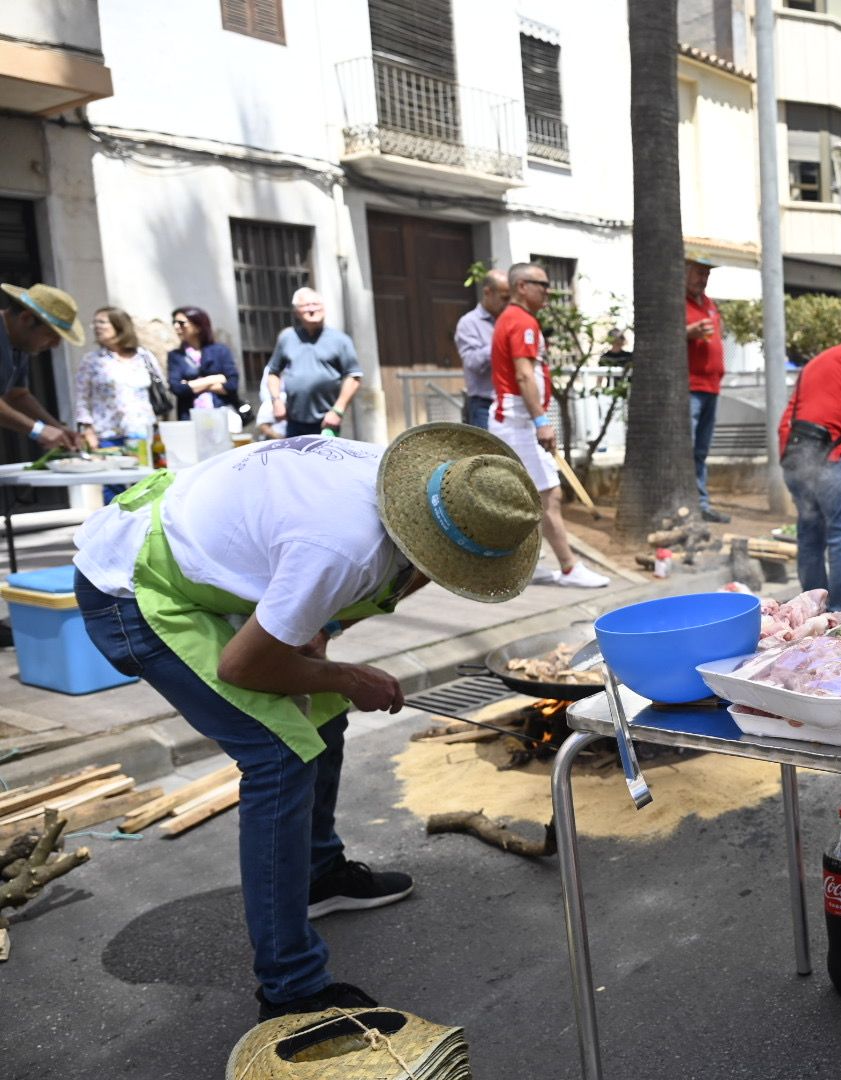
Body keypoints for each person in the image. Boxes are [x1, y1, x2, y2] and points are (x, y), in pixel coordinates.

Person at [72, 423, 544, 1021]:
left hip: (199, 555)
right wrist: (350, 678)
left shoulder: (414, 485)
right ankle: (290, 988)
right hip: (133, 586)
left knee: (322, 717)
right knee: (278, 755)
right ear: (426, 546)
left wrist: (320, 639)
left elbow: (291, 562)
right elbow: (244, 666)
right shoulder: (344, 546)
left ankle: (320, 874)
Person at [487, 261, 609, 589]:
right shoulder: (521, 321)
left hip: (515, 421)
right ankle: (569, 567)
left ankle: (516, 566)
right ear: (521, 287)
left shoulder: (513, 320)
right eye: (541, 284)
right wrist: (541, 421)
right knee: (548, 496)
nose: (548, 291)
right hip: (519, 422)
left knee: (523, 498)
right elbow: (524, 374)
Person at [777, 333, 841, 615]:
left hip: (794, 456)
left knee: (810, 532)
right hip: (829, 454)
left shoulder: (816, 362)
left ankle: (812, 610)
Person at [75, 307, 160, 501]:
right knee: (113, 487)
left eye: (102, 322)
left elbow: (159, 391)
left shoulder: (144, 357)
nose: (96, 327)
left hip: (142, 432)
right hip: (107, 434)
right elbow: (81, 397)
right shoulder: (91, 360)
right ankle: (115, 529)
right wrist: (87, 429)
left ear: (119, 325)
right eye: (94, 323)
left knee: (146, 484)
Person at [265, 289, 362, 438]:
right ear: (296, 312)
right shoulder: (287, 338)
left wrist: (338, 410)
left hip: (327, 421)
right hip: (294, 420)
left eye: (316, 304)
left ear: (324, 308)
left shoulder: (340, 340)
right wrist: (276, 401)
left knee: (326, 460)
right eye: (306, 305)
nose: (312, 309)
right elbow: (273, 373)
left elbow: (354, 377)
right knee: (295, 461)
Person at [0, 283, 81, 453]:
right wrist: (37, 430)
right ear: (26, 319)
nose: (56, 345)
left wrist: (57, 427)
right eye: (51, 335)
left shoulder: (19, 344)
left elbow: (18, 395)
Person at [684, 253, 729, 523]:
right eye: (700, 273)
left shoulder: (710, 304)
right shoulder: (680, 303)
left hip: (711, 386)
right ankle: (691, 501)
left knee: (701, 450)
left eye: (707, 274)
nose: (704, 279)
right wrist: (689, 332)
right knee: (688, 449)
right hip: (691, 386)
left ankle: (701, 502)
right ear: (684, 273)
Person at [455, 269, 508, 430]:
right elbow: (473, 362)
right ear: (487, 292)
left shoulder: (508, 320)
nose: (508, 303)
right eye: (504, 298)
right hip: (484, 404)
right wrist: (499, 343)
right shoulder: (468, 323)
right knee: (488, 454)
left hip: (511, 404)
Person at [166, 307, 239, 420]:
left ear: (198, 326)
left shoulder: (220, 351)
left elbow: (232, 385)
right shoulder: (175, 356)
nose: (176, 327)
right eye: (174, 323)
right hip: (190, 417)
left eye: (181, 323)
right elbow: (177, 388)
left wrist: (190, 384)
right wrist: (215, 379)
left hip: (221, 414)